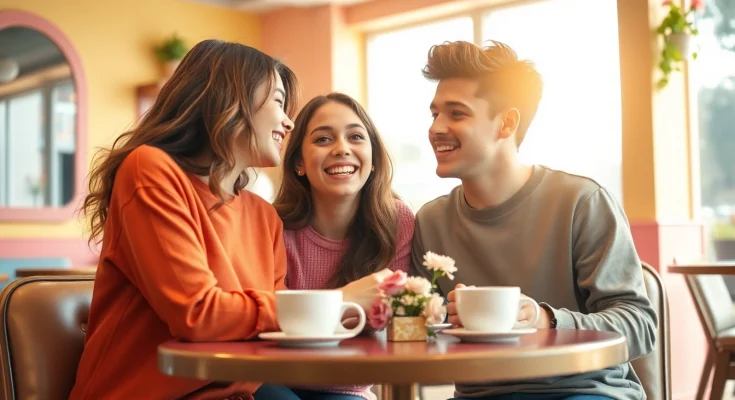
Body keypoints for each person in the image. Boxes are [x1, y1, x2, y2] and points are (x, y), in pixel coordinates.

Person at [410, 40, 657, 400]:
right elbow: (422, 336)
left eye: (457, 114)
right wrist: (442, 319)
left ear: (507, 122)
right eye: (434, 114)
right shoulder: (431, 221)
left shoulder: (580, 202)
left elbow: (640, 326)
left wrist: (544, 320)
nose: (436, 128)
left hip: (584, 391)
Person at [70, 40, 298, 400]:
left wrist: (350, 312)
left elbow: (278, 325)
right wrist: (334, 304)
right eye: (279, 102)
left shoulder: (264, 215)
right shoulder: (150, 170)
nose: (289, 121)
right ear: (230, 97)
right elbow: (198, 314)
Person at [267, 92, 415, 400]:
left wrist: (307, 321)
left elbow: (393, 325)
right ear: (299, 163)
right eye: (323, 140)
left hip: (347, 387)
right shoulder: (271, 223)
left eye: (356, 137)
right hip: (273, 382)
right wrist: (347, 303)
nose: (342, 149)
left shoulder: (397, 221)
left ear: (373, 159)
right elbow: (265, 324)